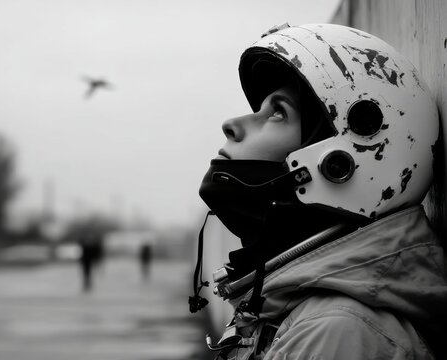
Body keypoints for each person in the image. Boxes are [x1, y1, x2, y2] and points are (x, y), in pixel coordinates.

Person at [190, 23, 447, 360]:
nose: (232, 125)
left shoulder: (336, 334)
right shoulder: (307, 316)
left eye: (278, 112)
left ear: (340, 165)